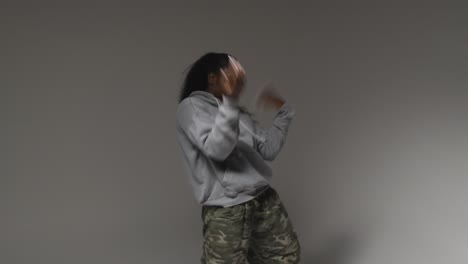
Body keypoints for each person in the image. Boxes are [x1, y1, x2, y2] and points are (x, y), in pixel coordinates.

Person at [175, 52, 301, 263]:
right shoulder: (191, 107)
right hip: (228, 209)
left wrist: (283, 111)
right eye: (233, 73)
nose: (239, 79)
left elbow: (267, 149)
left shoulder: (235, 113)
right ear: (213, 78)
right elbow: (217, 150)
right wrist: (231, 103)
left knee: (286, 258)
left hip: (263, 199)